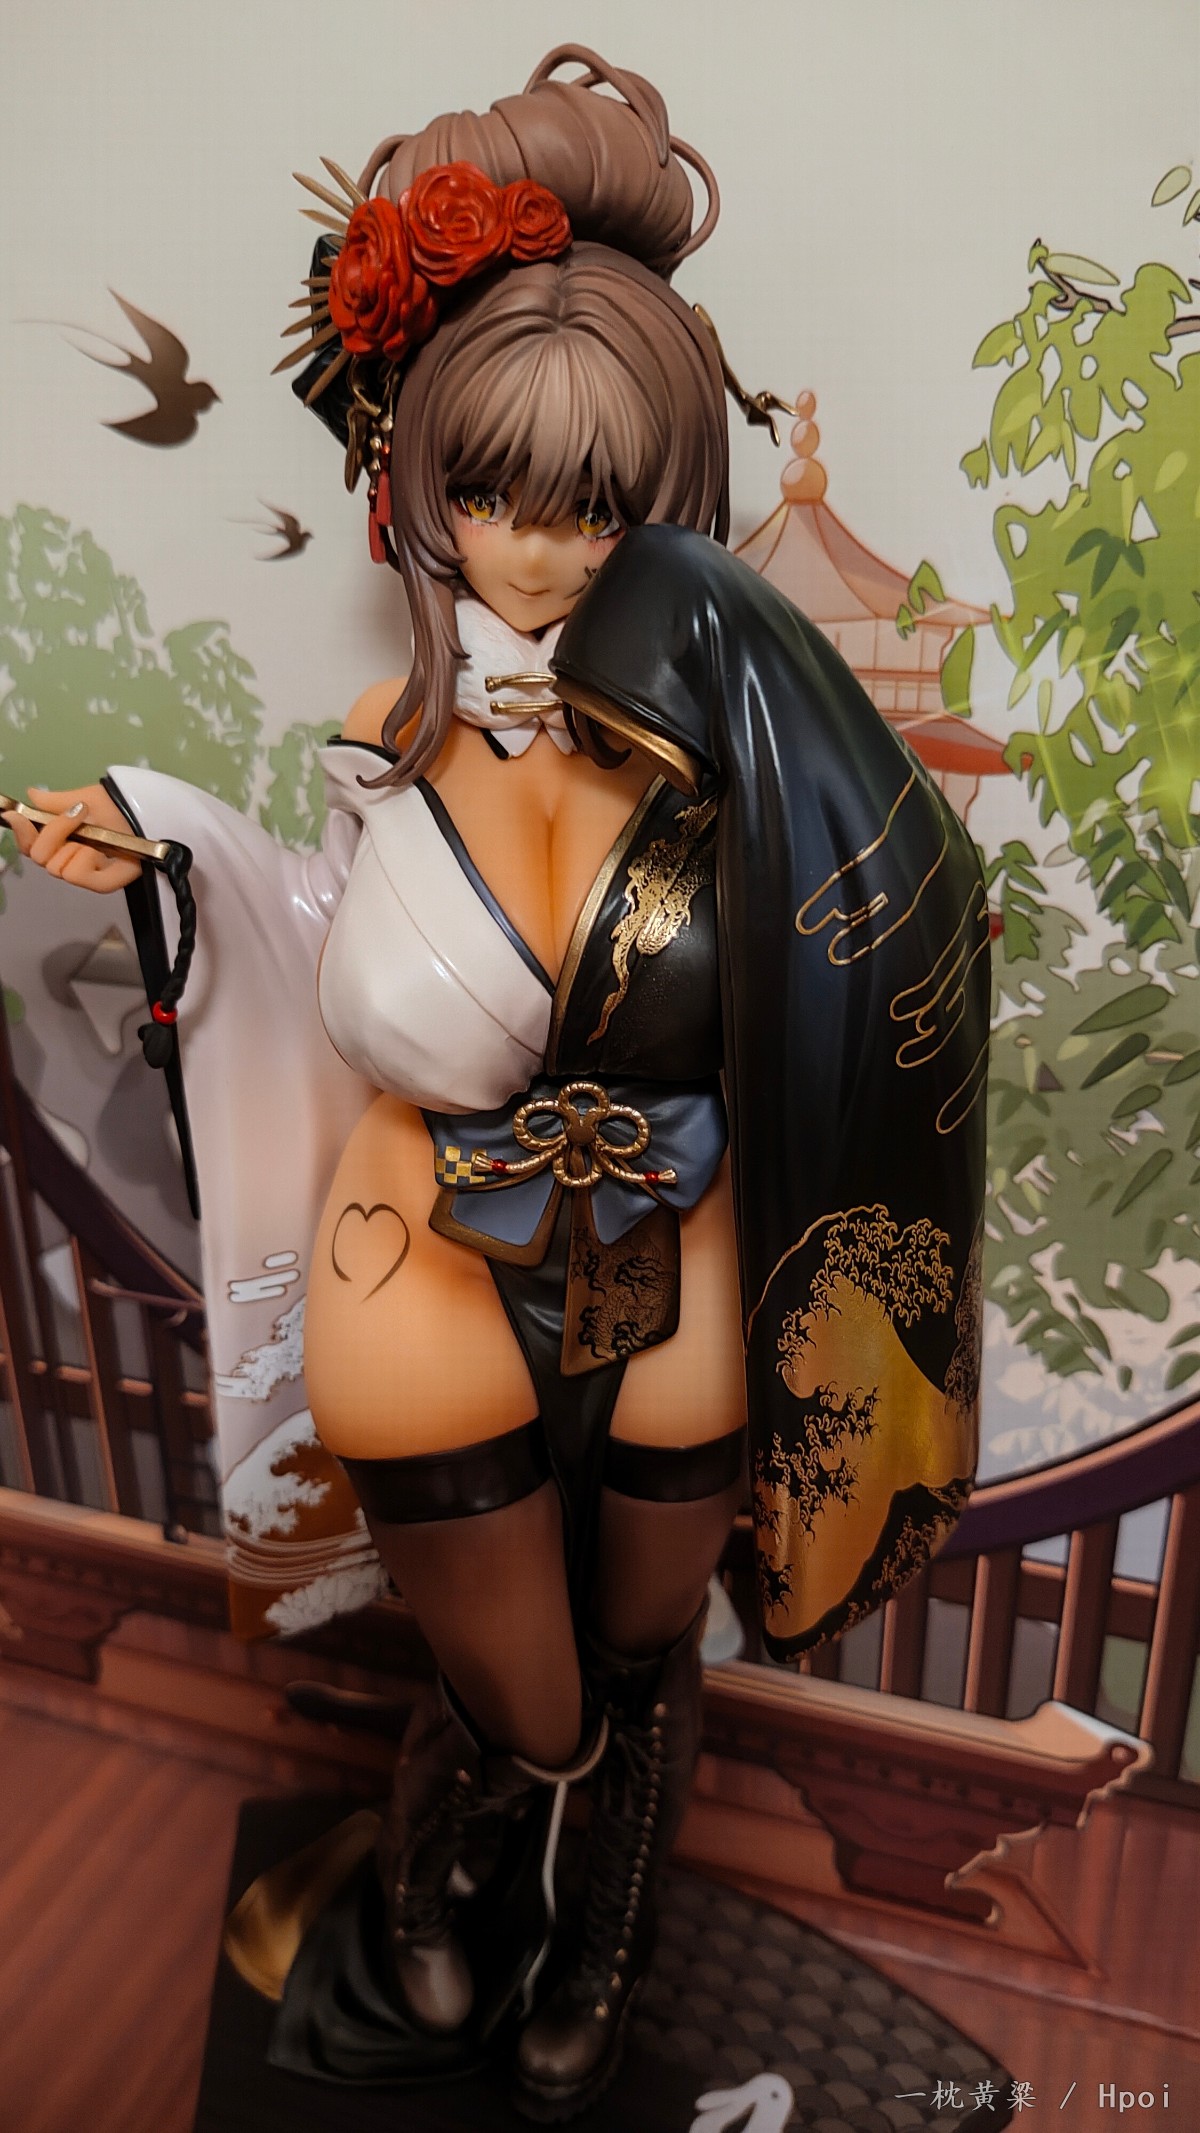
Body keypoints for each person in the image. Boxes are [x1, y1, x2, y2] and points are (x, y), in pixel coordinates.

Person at [5, 47, 988, 2122]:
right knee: (521, 1679)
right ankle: (452, 1851)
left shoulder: (733, 760)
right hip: (424, 1242)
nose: (534, 552)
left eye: (593, 503)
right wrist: (165, 836)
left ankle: (602, 1919)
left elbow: (862, 962)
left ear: (667, 507)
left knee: (643, 1635)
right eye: (493, 493)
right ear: (420, 479)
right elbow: (313, 921)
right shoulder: (396, 730)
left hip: (678, 1238)